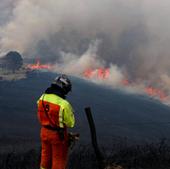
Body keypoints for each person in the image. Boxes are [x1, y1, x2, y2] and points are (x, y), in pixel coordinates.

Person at [37, 74, 75, 169]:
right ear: (63, 87)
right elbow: (71, 123)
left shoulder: (42, 97)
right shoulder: (63, 104)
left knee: (45, 157)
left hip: (44, 132)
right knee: (59, 159)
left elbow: (40, 113)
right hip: (58, 136)